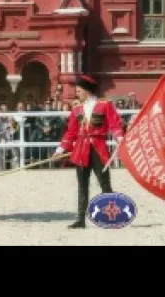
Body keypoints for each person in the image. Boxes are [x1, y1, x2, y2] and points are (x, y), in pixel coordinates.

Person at [53, 75, 124, 229]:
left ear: (86, 90)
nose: (76, 93)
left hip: (98, 148)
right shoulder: (76, 108)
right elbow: (70, 132)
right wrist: (60, 149)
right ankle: (80, 219)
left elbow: (115, 124)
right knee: (82, 185)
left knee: (104, 184)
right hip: (80, 150)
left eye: (79, 90)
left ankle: (111, 217)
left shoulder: (105, 105)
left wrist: (120, 138)